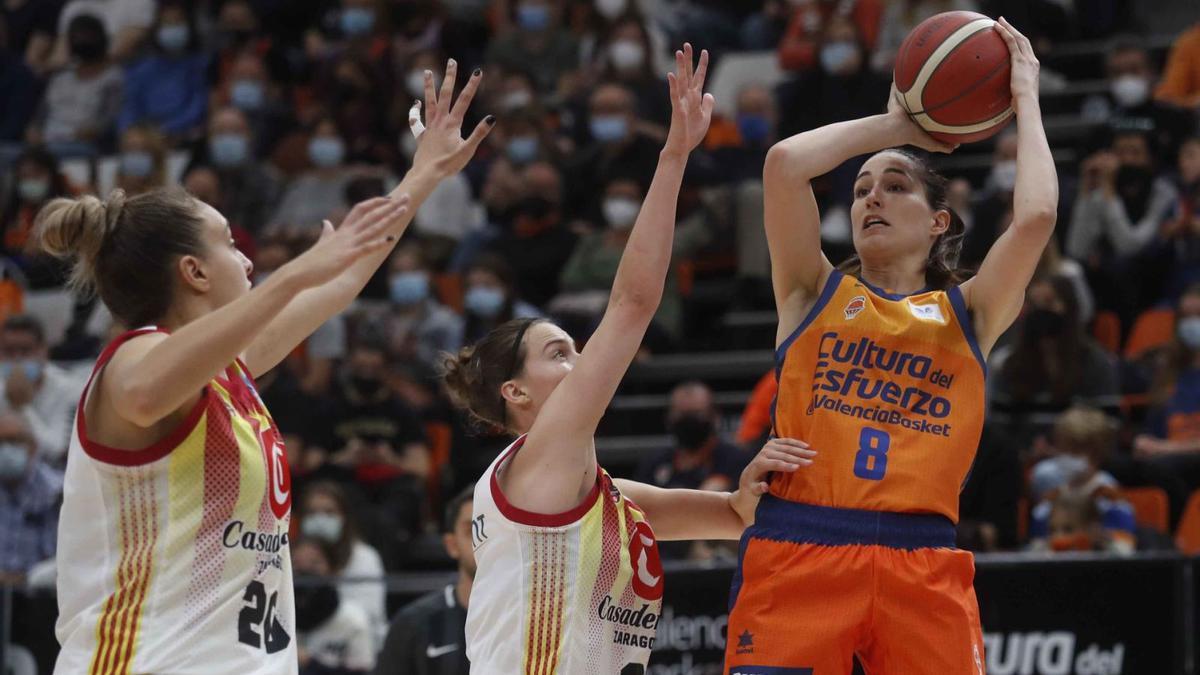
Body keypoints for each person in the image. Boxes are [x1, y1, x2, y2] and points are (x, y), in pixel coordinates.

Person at [41, 58, 493, 673]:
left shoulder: (224, 370)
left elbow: (342, 279)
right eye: (229, 242)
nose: (246, 258)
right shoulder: (133, 358)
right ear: (193, 272)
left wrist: (423, 174)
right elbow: (145, 394)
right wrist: (300, 269)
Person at [442, 45, 813, 673]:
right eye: (560, 354)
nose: (582, 363)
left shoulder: (600, 497)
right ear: (516, 394)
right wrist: (673, 158)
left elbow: (731, 517)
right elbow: (635, 303)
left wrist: (750, 492)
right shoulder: (540, 462)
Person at [726, 19, 1057, 672]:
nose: (872, 195)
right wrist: (898, 128)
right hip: (801, 544)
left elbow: (1037, 217)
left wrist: (1026, 98)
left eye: (896, 185)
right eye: (860, 189)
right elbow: (785, 166)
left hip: (924, 559)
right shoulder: (807, 292)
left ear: (939, 222)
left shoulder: (970, 313)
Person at [375, 484, 475, 675]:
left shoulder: (536, 619)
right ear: (451, 544)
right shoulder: (413, 623)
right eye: (472, 530)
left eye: (493, 530)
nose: (483, 541)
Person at [0, 315, 85, 465]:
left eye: (25, 351)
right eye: (9, 352)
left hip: (55, 479)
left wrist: (22, 406)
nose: (17, 360)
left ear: (43, 351)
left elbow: (57, 451)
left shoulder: (69, 389)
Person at [292, 537, 375, 674]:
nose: (305, 571)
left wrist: (310, 663)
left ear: (333, 569)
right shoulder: (273, 617)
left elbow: (362, 672)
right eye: (296, 564)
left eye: (314, 564)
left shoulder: (353, 620)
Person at [0, 411, 61, 585]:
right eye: (0, 442)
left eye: (14, 441)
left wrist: (26, 578)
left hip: (42, 599)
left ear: (33, 446)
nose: (6, 449)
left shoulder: (56, 493)